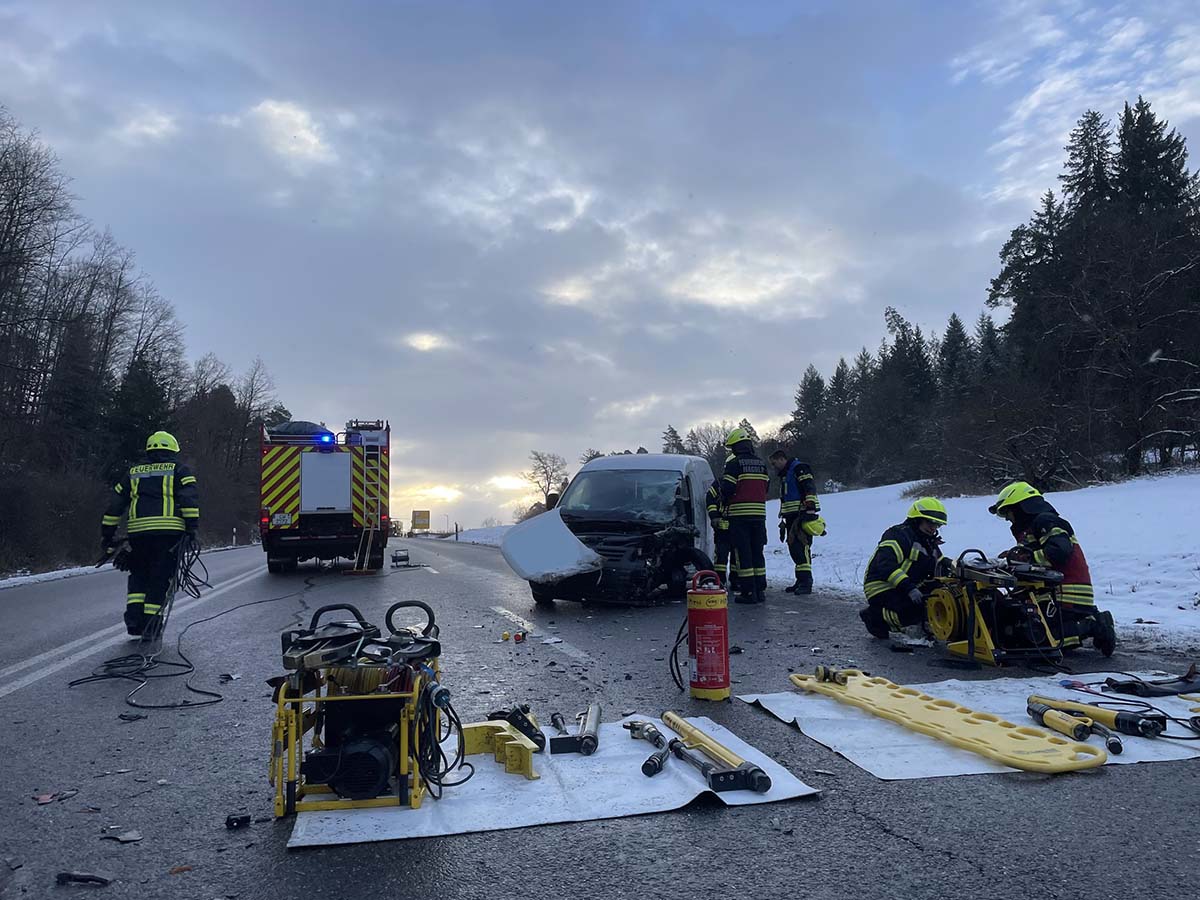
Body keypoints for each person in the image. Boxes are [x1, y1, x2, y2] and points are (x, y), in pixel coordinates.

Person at [988, 481, 1116, 656]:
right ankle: (1084, 619)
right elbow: (1033, 556)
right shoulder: (1032, 528)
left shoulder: (1047, 521)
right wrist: (1012, 560)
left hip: (1066, 591)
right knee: (1014, 633)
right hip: (1048, 592)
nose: (1008, 518)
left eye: (1008, 512)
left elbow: (1059, 551)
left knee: (1045, 641)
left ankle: (1095, 624)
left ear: (1021, 507)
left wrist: (1026, 559)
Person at [101, 431, 200, 637]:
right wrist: (192, 528)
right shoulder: (180, 470)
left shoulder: (133, 473)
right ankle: (151, 626)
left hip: (138, 536)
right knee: (159, 578)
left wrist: (108, 534)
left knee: (139, 576)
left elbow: (115, 506)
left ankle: (134, 621)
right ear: (173, 450)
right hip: (168, 535)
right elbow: (188, 500)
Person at [859, 497, 949, 639]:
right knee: (914, 611)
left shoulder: (928, 542)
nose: (933, 527)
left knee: (936, 600)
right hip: (881, 586)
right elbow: (885, 565)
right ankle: (874, 618)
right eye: (930, 522)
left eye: (937, 524)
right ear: (917, 519)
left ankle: (922, 624)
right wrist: (909, 588)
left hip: (908, 586)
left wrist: (956, 568)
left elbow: (939, 565)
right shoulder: (898, 535)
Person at [720, 427, 769, 604]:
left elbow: (727, 488)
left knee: (743, 554)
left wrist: (723, 499)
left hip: (739, 517)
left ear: (737, 447)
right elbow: (766, 487)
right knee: (757, 552)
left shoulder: (734, 464)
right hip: (759, 516)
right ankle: (760, 590)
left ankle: (748, 592)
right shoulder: (761, 464)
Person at [769, 450, 824, 594]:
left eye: (774, 463)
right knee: (794, 548)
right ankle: (800, 580)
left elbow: (809, 486)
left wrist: (810, 508)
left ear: (781, 459)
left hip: (802, 514)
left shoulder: (799, 468)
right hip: (792, 516)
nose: (774, 467)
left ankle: (806, 582)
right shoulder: (786, 474)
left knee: (801, 547)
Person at [704, 480, 734, 591]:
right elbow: (710, 498)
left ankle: (736, 580)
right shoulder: (719, 483)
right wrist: (714, 516)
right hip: (722, 528)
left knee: (737, 557)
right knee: (721, 556)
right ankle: (720, 580)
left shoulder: (741, 482)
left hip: (737, 527)